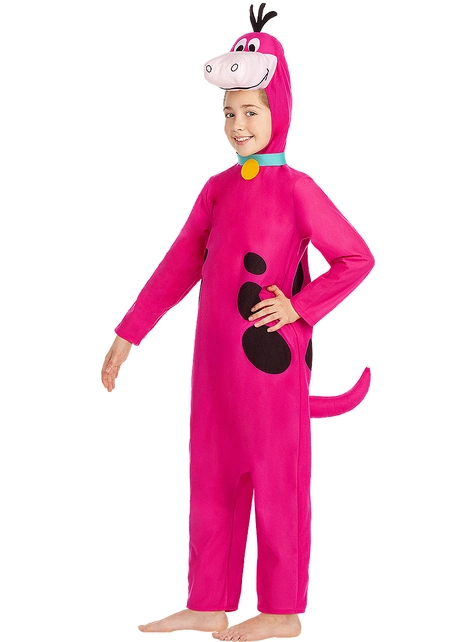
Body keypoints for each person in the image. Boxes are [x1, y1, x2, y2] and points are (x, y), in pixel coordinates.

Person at [101, 6, 374, 641]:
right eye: (228, 113)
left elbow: (357, 257)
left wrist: (299, 307)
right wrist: (128, 332)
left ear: (279, 110)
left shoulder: (298, 189)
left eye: (250, 111)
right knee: (211, 484)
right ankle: (207, 601)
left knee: (278, 486)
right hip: (214, 373)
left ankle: (282, 610)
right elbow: (178, 264)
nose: (237, 125)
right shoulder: (217, 189)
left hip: (272, 377)